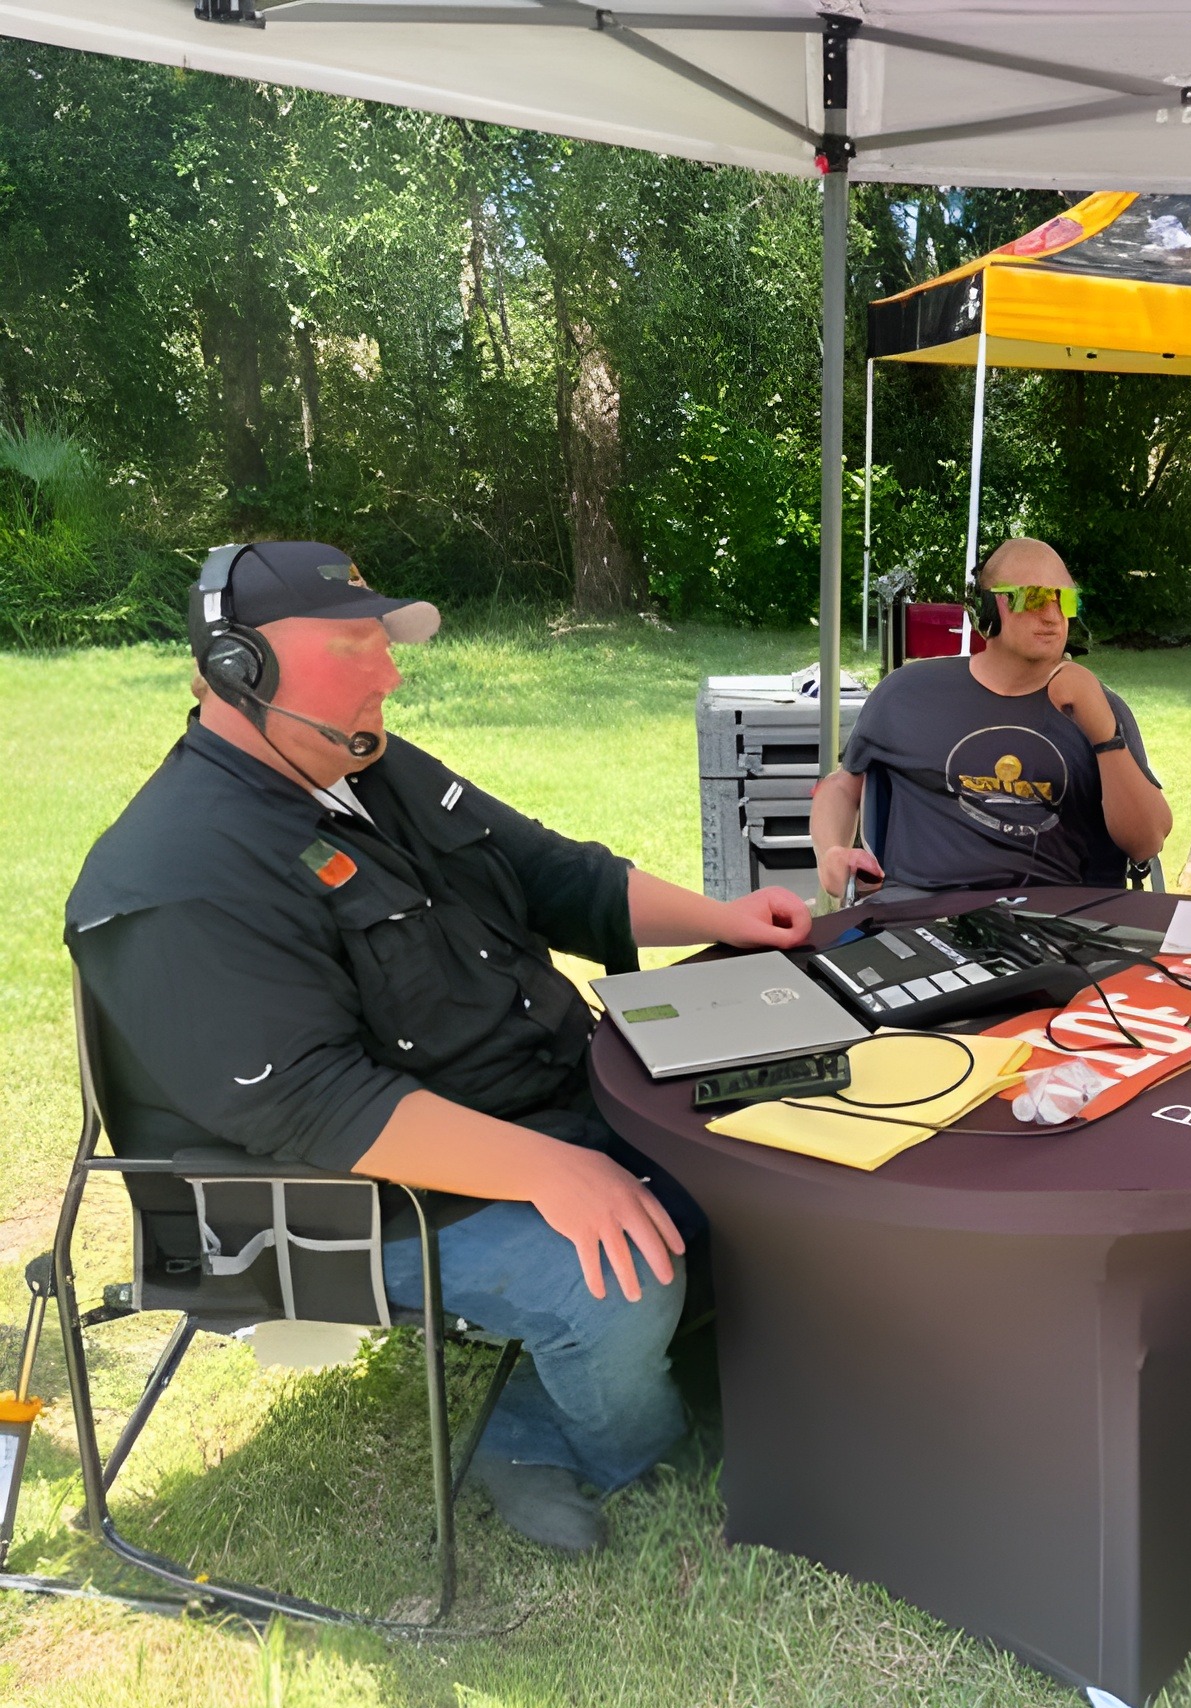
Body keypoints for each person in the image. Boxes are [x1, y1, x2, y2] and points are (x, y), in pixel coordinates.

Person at [65, 541, 815, 1554]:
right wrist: (560, 1172)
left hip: (523, 1106)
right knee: (621, 1277)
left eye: (384, 644)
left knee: (762, 1174)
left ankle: (569, 1401)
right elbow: (316, 1107)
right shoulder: (176, 871)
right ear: (242, 670)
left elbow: (555, 875)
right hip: (330, 1200)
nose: (389, 673)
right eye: (353, 647)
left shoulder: (369, 765)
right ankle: (605, 1447)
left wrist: (726, 919)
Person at [811, 538, 1172, 901]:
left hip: (1064, 927)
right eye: (1032, 597)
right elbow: (843, 786)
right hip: (920, 918)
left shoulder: (1102, 708)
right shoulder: (907, 693)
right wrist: (831, 852)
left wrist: (1103, 733)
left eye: (1064, 599)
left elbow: (1146, 844)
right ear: (988, 608)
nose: (1052, 616)